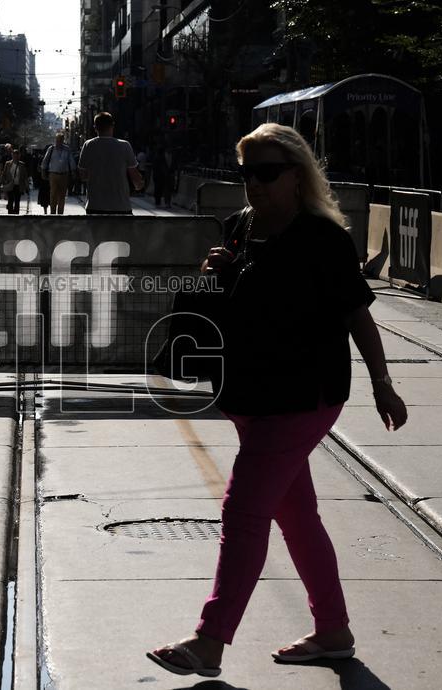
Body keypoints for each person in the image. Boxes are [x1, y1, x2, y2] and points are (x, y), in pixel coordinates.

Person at [147, 123, 408, 679]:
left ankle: (210, 639)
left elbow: (355, 313)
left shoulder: (322, 238)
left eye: (267, 173)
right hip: (248, 392)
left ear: (297, 175)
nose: (255, 185)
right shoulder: (241, 226)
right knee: (297, 516)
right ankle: (332, 629)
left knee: (244, 512)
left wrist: (383, 382)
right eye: (247, 174)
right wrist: (214, 272)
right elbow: (233, 299)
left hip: (302, 395)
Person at [78, 112, 143, 214]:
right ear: (112, 126)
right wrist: (139, 185)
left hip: (95, 206)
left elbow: (83, 175)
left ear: (95, 128)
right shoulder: (125, 146)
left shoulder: (88, 145)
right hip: (121, 206)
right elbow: (134, 175)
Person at [41, 132, 76, 215]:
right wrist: (43, 171)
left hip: (64, 175)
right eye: (57, 140)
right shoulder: (51, 149)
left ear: (63, 140)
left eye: (60, 140)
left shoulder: (67, 149)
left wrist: (73, 171)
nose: (59, 142)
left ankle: (60, 213)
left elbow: (71, 161)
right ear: (55, 140)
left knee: (62, 195)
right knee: (53, 194)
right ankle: (52, 213)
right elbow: (45, 161)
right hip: (53, 174)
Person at [0, 146, 29, 215]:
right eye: (14, 155)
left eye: (17, 155)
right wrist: (2, 182)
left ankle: (16, 215)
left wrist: (26, 186)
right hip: (10, 184)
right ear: (12, 155)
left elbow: (25, 176)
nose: (15, 157)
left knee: (17, 201)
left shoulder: (22, 164)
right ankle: (10, 214)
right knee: (10, 200)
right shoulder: (8, 164)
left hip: (18, 185)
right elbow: (4, 174)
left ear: (19, 156)